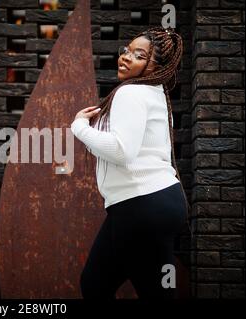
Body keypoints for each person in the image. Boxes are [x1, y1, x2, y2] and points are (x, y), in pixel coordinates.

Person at [70, 27, 191, 299]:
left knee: (143, 291)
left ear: (154, 67)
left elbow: (122, 151)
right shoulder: (155, 94)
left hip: (141, 205)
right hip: (152, 203)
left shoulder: (131, 93)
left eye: (138, 55)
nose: (125, 57)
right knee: (95, 283)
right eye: (126, 50)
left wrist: (79, 127)